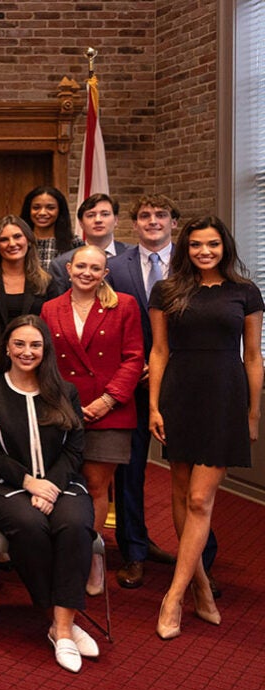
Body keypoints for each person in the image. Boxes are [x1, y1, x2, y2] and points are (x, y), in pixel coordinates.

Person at [149, 216, 262, 639]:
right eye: (196, 245)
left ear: (224, 247)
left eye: (212, 244)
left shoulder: (245, 292)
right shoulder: (167, 291)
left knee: (200, 498)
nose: (204, 252)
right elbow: (158, 351)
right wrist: (154, 406)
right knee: (180, 493)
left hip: (225, 398)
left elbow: (253, 356)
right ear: (186, 249)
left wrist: (251, 415)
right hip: (180, 395)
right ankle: (200, 587)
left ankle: (173, 596)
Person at [0, 316, 100, 673]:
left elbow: (75, 448)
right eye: (20, 344)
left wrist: (51, 485)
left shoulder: (65, 391)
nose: (27, 352)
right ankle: (64, 624)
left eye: (35, 345)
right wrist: (29, 483)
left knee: (74, 525)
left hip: (60, 483)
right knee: (30, 526)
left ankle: (60, 628)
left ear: (46, 350)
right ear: (8, 349)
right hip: (3, 485)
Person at [41, 245, 144, 596]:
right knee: (64, 485)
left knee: (97, 487)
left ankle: (92, 553)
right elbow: (46, 362)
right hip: (62, 411)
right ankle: (64, 549)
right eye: (80, 266)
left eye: (95, 267)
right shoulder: (50, 308)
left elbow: (134, 358)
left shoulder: (124, 305)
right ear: (68, 269)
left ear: (105, 273)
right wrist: (58, 403)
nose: (87, 272)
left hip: (110, 411)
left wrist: (108, 399)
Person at [108, 195, 185, 589]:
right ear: (133, 224)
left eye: (160, 215)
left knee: (188, 474)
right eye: (144, 216)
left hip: (185, 381)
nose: (152, 221)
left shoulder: (192, 264)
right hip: (134, 382)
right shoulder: (113, 267)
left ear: (174, 222)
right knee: (129, 471)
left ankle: (197, 560)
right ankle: (134, 550)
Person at [0, 216, 52, 346]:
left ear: (28, 240)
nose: (12, 244)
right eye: (4, 240)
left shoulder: (46, 282)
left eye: (17, 236)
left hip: (32, 358)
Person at [49, 194, 122, 295]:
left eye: (105, 214)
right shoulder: (61, 264)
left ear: (116, 220)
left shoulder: (135, 256)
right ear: (81, 223)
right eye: (91, 215)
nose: (98, 220)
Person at [19, 186, 77, 270]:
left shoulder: (74, 243)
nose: (42, 213)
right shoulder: (18, 241)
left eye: (50, 208)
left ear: (60, 210)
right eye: (36, 208)